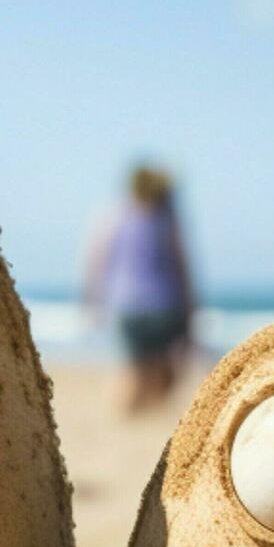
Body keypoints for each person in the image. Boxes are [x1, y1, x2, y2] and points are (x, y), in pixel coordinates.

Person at [84, 164, 196, 413]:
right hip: (164, 305)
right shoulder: (167, 218)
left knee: (132, 370)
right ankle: (146, 418)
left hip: (127, 305)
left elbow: (97, 261)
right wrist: (191, 309)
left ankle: (128, 417)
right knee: (161, 372)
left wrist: (91, 300)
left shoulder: (112, 216)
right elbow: (183, 268)